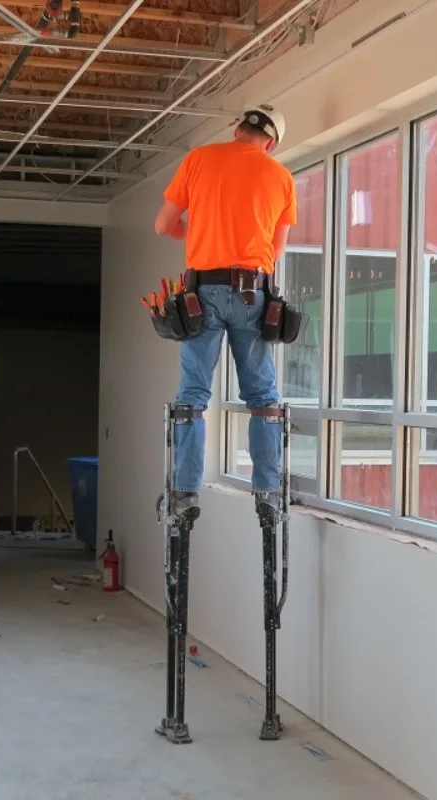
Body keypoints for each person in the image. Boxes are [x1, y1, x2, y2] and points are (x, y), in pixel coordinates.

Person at [154, 104, 296, 516]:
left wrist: (197, 232)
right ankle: (268, 493)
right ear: (269, 143)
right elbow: (276, 251)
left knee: (193, 395)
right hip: (254, 294)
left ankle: (185, 493)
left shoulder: (199, 158)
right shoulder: (281, 177)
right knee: (263, 397)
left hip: (204, 293)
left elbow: (162, 224)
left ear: (237, 130)